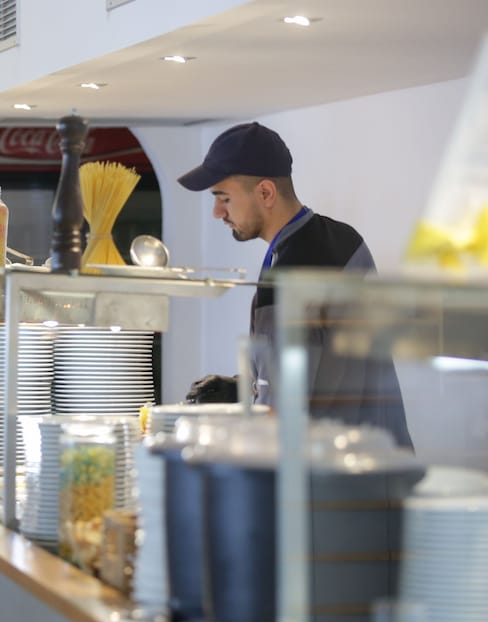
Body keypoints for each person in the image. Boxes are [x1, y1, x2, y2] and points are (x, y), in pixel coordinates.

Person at [177, 122, 413, 449]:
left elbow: (282, 414)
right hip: (378, 457)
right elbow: (321, 372)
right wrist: (244, 389)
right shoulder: (342, 239)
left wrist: (213, 441)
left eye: (224, 198)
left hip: (333, 469)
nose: (218, 212)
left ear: (265, 193)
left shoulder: (291, 273)